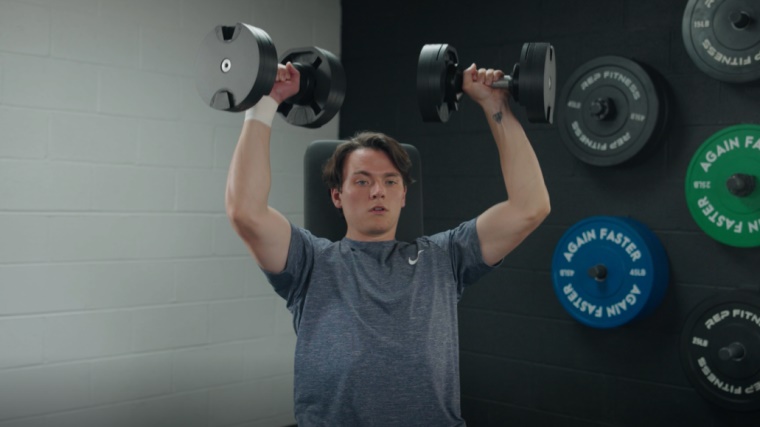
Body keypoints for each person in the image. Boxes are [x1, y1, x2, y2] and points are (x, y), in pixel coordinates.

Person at [225, 61, 550, 426]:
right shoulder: (311, 262)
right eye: (362, 181)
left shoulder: (444, 257)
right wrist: (266, 101)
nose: (378, 190)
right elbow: (246, 212)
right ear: (337, 196)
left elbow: (530, 207)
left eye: (391, 181)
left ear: (404, 196)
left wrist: (496, 106)